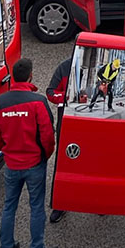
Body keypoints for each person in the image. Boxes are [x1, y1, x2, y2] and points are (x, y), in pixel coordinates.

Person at [0, 58, 59, 248]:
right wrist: (44, 155)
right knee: (36, 207)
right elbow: (47, 134)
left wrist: (7, 151)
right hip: (34, 163)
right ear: (30, 75)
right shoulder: (37, 102)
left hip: (12, 164)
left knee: (9, 205)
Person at [45, 58, 72, 225]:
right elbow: (50, 92)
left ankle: (97, 202)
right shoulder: (63, 67)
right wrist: (68, 97)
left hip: (92, 123)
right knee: (62, 164)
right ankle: (60, 204)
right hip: (67, 124)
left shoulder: (97, 67)